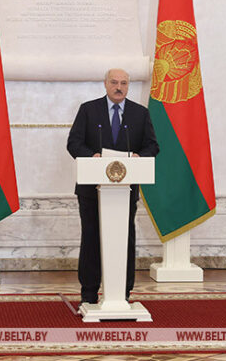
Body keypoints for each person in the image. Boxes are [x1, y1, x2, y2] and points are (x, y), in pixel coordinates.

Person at [66, 68, 159, 304]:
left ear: (128, 86)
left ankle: (122, 293)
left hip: (125, 190)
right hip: (91, 190)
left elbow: (152, 146)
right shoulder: (89, 110)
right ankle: (89, 293)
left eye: (124, 83)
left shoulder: (140, 113)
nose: (119, 87)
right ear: (105, 84)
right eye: (114, 82)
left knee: (124, 239)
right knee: (91, 238)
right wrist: (92, 157)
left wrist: (139, 156)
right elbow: (74, 143)